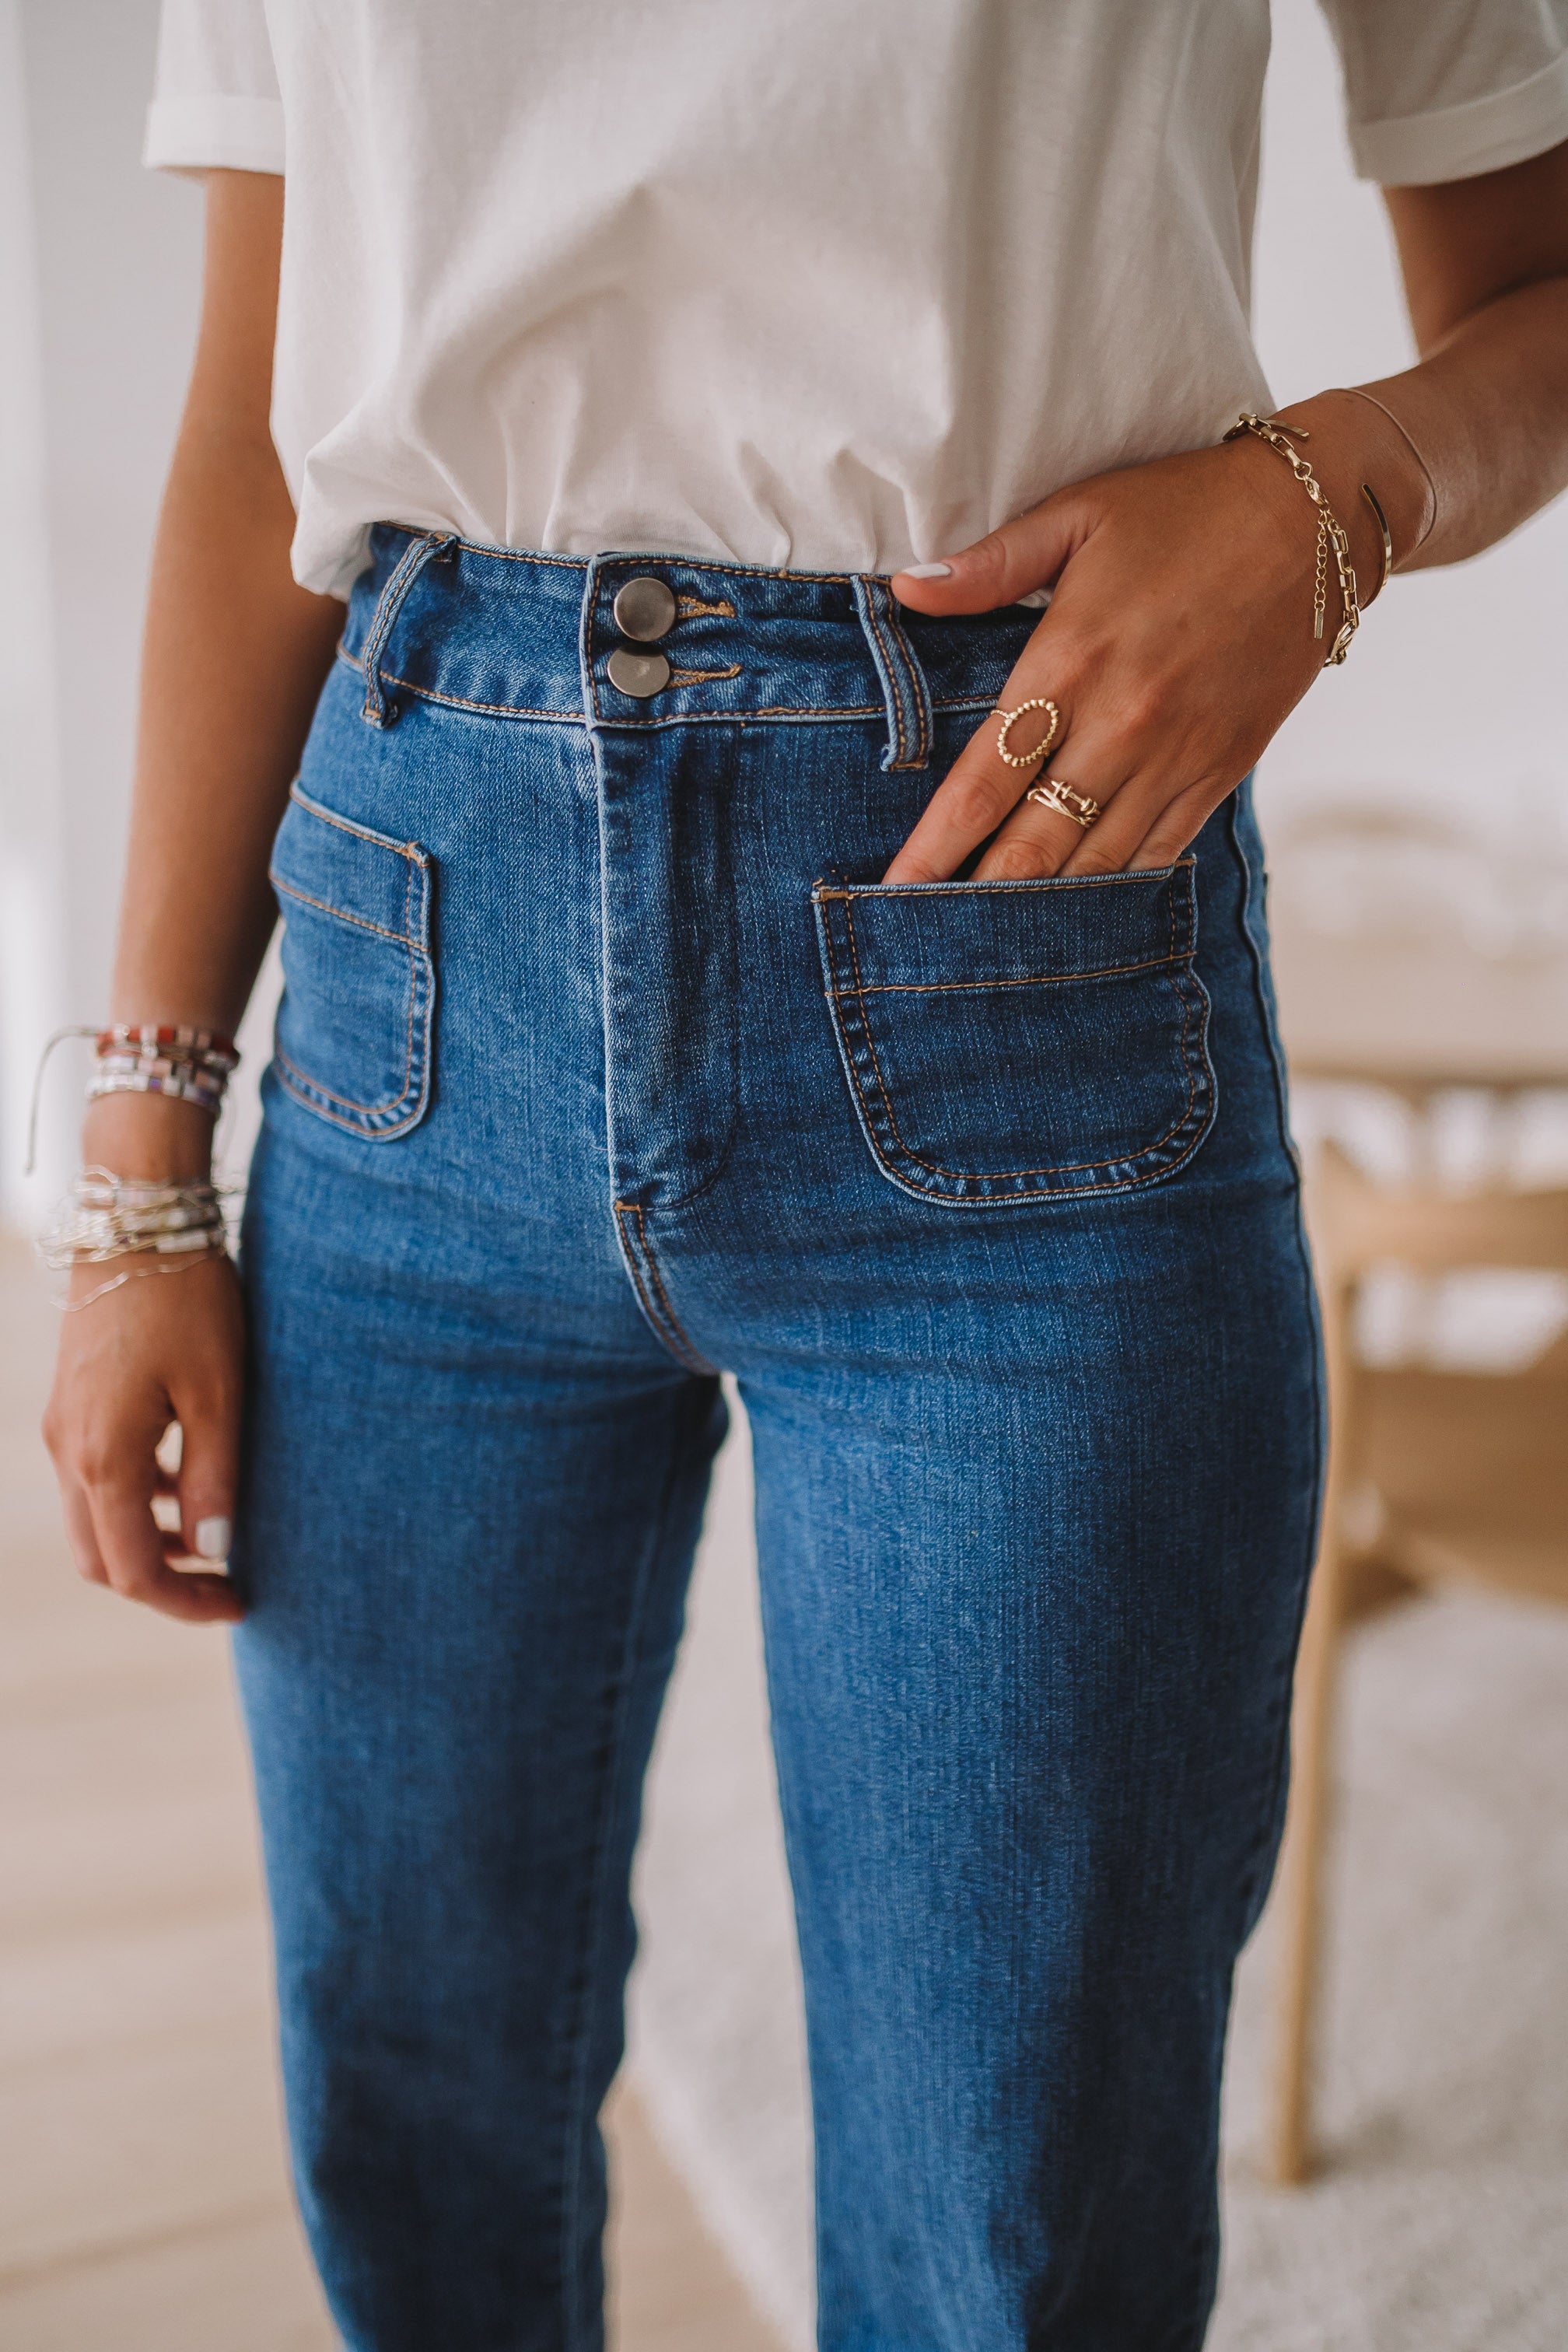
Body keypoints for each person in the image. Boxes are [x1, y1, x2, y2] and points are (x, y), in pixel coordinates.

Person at [42, 4, 1568, 2347]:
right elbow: (262, 424)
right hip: (409, 956)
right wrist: (139, 1162)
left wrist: (1320, 498)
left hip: (1021, 924)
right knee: (408, 2090)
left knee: (1016, 2204)